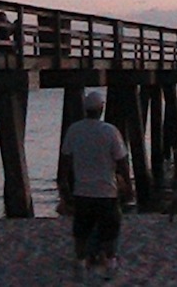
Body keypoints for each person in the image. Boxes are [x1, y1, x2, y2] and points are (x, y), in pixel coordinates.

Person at [59, 91, 133, 281]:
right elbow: (122, 161)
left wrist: (63, 185)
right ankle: (109, 264)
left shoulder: (74, 130)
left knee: (82, 232)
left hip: (82, 191)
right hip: (106, 191)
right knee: (110, 231)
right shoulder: (110, 131)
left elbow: (65, 161)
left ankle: (81, 265)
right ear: (102, 109)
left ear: (86, 109)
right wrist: (129, 184)